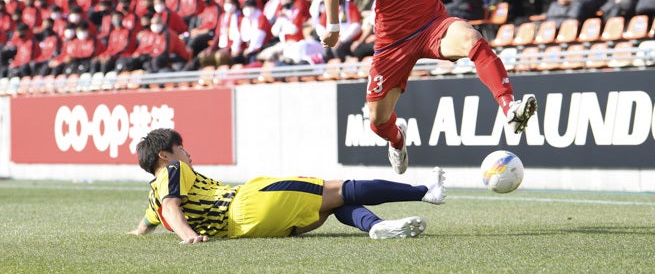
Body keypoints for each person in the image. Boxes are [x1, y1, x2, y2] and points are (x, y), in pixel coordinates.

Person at [321, 0, 537, 174]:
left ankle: (510, 107)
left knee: (473, 39)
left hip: (432, 25)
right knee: (377, 121)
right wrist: (334, 27)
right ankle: (397, 139)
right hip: (392, 41)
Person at [130, 128, 447, 242]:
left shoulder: (153, 194)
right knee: (341, 188)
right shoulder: (172, 171)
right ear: (165, 155)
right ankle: (425, 192)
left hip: (250, 228)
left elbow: (151, 219)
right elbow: (171, 206)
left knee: (334, 202)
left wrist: (138, 232)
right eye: (182, 148)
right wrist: (189, 237)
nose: (188, 153)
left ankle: (375, 227)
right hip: (250, 201)